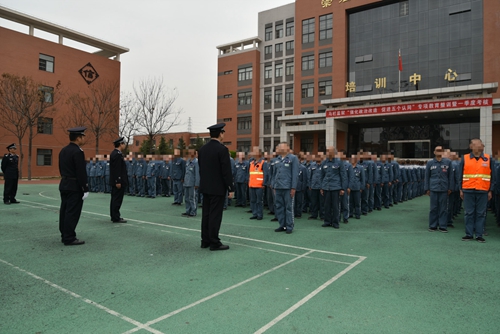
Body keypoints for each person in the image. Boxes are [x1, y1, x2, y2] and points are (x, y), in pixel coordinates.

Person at [198, 123, 234, 251]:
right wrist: (230, 187)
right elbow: (226, 171)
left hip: (206, 186)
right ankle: (214, 242)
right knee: (215, 215)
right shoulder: (222, 149)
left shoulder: (202, 149)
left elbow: (201, 168)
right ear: (220, 133)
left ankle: (205, 240)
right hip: (217, 188)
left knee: (206, 214)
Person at [459, 138, 494, 242]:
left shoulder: (488, 159)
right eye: (474, 144)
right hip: (468, 189)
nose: (477, 146)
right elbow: (460, 175)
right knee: (469, 213)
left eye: (479, 144)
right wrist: (460, 189)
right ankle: (469, 234)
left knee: (481, 213)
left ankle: (479, 234)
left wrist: (490, 190)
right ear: (471, 147)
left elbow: (493, 177)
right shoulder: (465, 158)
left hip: (483, 190)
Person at [58, 127, 89, 245]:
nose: (83, 139)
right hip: (74, 186)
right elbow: (80, 171)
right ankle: (69, 237)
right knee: (72, 212)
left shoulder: (63, 150)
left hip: (65, 183)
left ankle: (64, 233)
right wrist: (85, 188)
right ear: (78, 138)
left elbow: (61, 168)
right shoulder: (78, 151)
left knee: (65, 210)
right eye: (82, 137)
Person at [424, 146, 453, 232]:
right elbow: (427, 176)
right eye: (437, 150)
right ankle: (433, 225)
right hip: (433, 188)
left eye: (440, 150)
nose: (439, 152)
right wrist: (427, 188)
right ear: (434, 152)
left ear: (443, 152)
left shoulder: (448, 162)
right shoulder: (430, 163)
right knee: (433, 208)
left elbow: (451, 176)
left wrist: (450, 188)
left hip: (444, 188)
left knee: (443, 208)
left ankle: (443, 226)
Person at [272, 142, 299, 234]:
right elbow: (274, 174)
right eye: (279, 147)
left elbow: (295, 174)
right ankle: (282, 225)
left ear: (288, 147)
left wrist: (293, 187)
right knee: (279, 206)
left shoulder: (293, 158)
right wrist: (274, 185)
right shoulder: (277, 159)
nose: (280, 148)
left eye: (282, 146)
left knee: (288, 207)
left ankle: (289, 226)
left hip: (287, 187)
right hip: (278, 186)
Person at [321, 146, 347, 229]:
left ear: (334, 152)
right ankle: (327, 221)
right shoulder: (324, 162)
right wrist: (322, 187)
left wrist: (343, 188)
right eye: (327, 151)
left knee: (335, 206)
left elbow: (343, 176)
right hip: (326, 187)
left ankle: (335, 222)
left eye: (329, 151)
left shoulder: (339, 162)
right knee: (326, 205)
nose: (327, 152)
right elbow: (322, 175)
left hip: (336, 187)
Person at [109, 137, 128, 223]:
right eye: (123, 144)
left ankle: (114, 215)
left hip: (115, 180)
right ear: (121, 144)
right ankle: (116, 217)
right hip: (118, 181)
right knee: (117, 199)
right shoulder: (117, 154)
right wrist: (118, 181)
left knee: (114, 198)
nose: (124, 145)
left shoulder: (114, 153)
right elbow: (117, 169)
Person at [248, 148, 266, 220]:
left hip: (259, 185)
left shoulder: (263, 162)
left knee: (259, 201)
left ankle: (259, 214)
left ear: (259, 153)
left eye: (255, 151)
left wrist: (264, 184)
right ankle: (254, 213)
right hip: (252, 185)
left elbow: (266, 174)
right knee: (253, 200)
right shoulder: (252, 163)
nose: (253, 152)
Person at [183, 149, 200, 217]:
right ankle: (188, 211)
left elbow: (197, 174)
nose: (190, 153)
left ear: (195, 154)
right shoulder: (188, 161)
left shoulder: (196, 162)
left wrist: (196, 183)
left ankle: (193, 211)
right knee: (186, 198)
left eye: (191, 152)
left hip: (192, 183)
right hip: (187, 182)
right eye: (189, 152)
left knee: (192, 198)